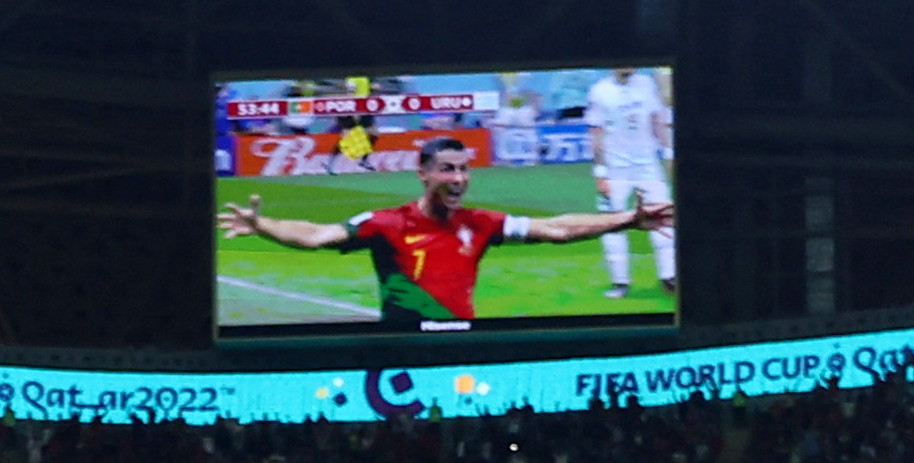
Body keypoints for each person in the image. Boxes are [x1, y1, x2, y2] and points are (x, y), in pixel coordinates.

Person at [214, 133, 670, 330]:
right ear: (423, 173)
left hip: (462, 345)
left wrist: (628, 220)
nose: (459, 179)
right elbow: (315, 236)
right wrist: (262, 225)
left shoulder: (479, 223)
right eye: (448, 171)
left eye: (464, 170)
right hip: (398, 349)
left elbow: (556, 228)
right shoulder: (386, 223)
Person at [581, 66, 678, 302]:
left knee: (664, 220)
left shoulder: (646, 84)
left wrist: (667, 153)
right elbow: (597, 133)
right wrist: (601, 172)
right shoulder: (600, 90)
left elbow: (657, 122)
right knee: (613, 225)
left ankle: (670, 277)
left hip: (648, 167)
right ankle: (620, 282)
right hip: (616, 170)